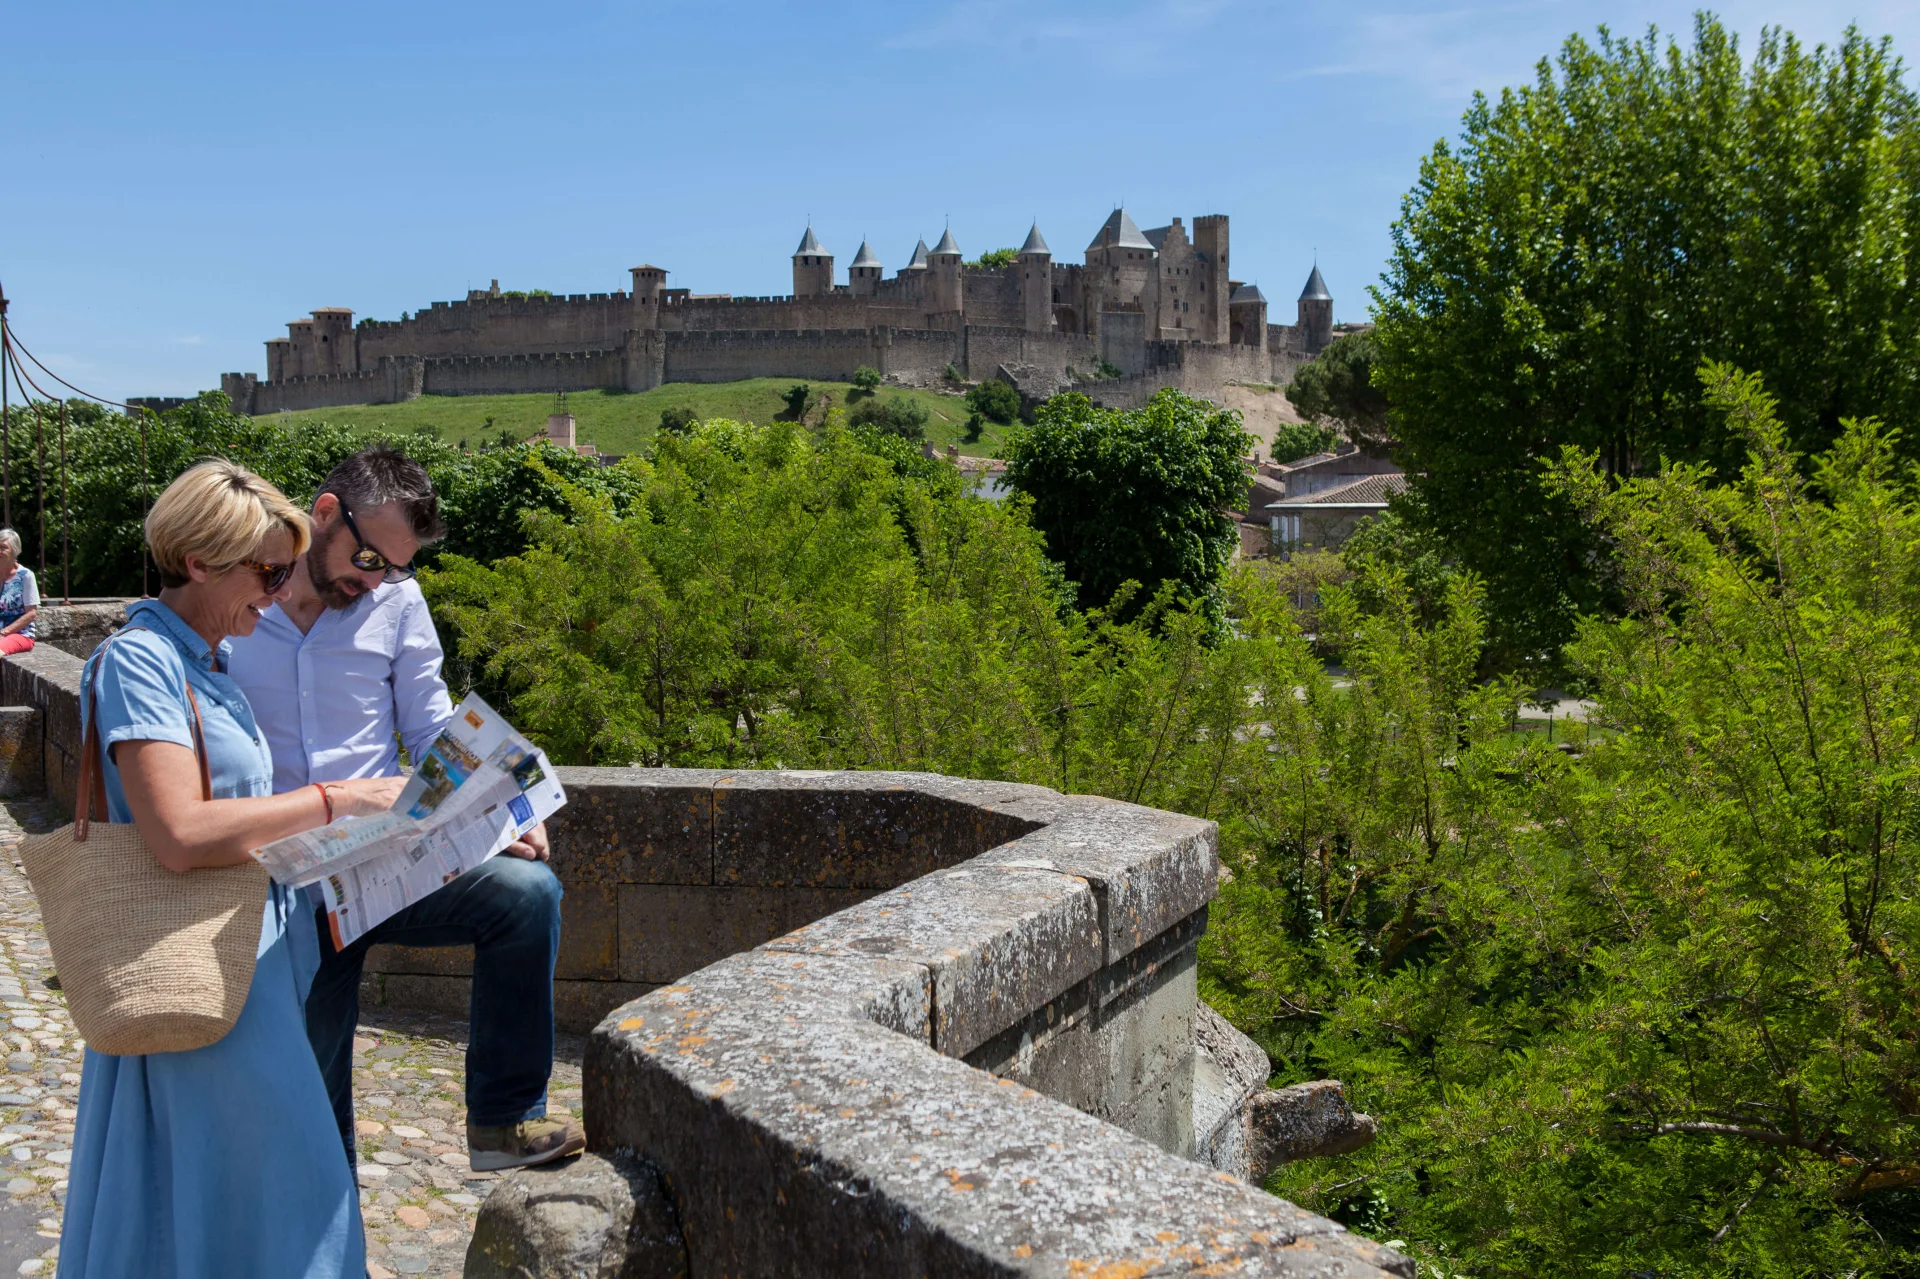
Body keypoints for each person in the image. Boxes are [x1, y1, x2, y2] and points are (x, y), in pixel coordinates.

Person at [58, 460, 405, 1278]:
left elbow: (232, 823)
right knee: (292, 1190)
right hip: (202, 974)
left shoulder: (208, 664)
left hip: (248, 963)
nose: (283, 591)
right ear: (198, 562)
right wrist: (334, 800)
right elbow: (178, 832)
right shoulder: (143, 661)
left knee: (231, 1196)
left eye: (288, 570)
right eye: (268, 571)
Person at [227, 446, 583, 1172]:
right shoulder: (241, 598)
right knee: (314, 1109)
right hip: (281, 881)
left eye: (394, 567)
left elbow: (431, 734)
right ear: (323, 513)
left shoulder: (396, 599)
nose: (376, 580)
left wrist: (505, 805)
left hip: (384, 858)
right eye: (367, 558)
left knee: (527, 894)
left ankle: (502, 1121)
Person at [0, 529, 39, 655]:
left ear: (15, 550)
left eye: (3, 547)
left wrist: (4, 632)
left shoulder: (26, 576)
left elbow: (32, 613)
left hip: (20, 634)